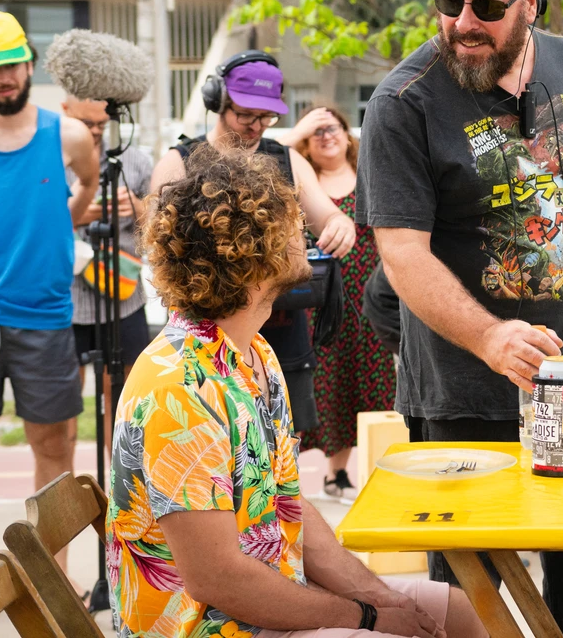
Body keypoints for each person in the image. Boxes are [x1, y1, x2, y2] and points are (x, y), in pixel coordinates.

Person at [356, 0, 563, 638]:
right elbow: (403, 256)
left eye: (486, 7)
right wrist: (490, 338)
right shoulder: (402, 103)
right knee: (468, 591)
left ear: (532, 2)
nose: (462, 22)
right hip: (461, 394)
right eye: (447, 0)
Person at [109, 143, 486, 638]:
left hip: (266, 597)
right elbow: (218, 580)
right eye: (289, 224)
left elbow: (287, 505)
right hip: (210, 626)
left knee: (453, 610)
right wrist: (366, 617)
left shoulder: (253, 353)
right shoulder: (178, 388)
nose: (303, 231)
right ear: (251, 252)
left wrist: (379, 597)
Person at [150, 54, 357, 435]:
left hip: (281, 330)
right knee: (211, 443)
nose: (256, 126)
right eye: (245, 115)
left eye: (267, 117)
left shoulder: (286, 159)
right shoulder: (178, 163)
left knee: (282, 451)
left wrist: (340, 224)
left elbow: (329, 214)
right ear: (218, 101)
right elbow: (161, 255)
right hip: (207, 331)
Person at [0, 11, 98, 575]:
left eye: (10, 64)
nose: (3, 78)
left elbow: (88, 184)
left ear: (28, 63)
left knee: (54, 453)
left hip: (46, 316)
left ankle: (51, 582)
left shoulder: (70, 134)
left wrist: (61, 226)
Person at [277, 104, 396, 504]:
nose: (327, 136)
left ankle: (384, 469)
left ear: (348, 135)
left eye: (334, 128)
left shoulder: (372, 175)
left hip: (372, 297)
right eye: (317, 132)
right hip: (322, 303)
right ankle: (336, 473)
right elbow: (263, 160)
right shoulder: (300, 183)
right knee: (333, 384)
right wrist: (294, 136)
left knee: (378, 382)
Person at [63, 94, 153, 451]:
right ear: (65, 109)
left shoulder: (133, 161)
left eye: (102, 124)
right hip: (62, 298)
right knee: (62, 407)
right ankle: (64, 500)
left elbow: (162, 228)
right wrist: (72, 213)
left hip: (123, 296)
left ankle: (118, 498)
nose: (96, 132)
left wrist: (140, 207)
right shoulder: (49, 159)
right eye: (87, 124)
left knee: (124, 407)